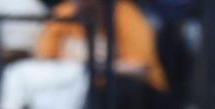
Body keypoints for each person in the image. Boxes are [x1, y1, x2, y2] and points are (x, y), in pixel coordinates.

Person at [36, 0, 167, 93]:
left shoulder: (125, 14)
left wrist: (93, 66)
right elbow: (45, 58)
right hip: (76, 87)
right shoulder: (64, 13)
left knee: (122, 89)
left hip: (137, 94)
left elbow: (140, 68)